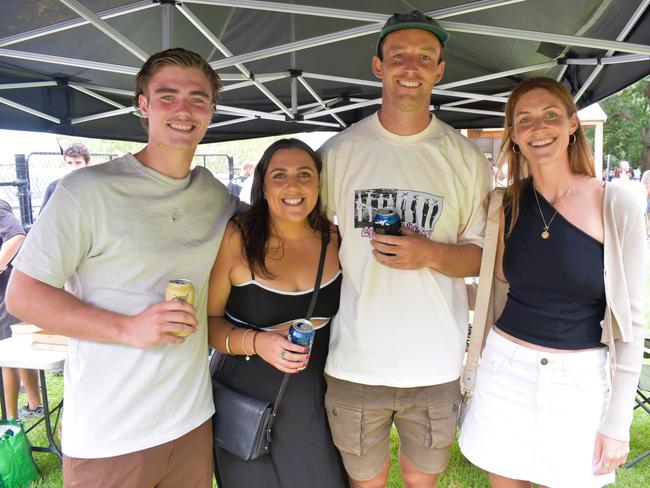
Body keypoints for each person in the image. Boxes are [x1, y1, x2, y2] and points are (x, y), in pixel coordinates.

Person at [6, 48, 239, 487]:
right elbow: (23, 296)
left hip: (191, 420)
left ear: (211, 110)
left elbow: (272, 237)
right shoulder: (86, 191)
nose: (183, 110)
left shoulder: (215, 195)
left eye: (197, 98)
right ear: (143, 104)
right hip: (111, 433)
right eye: (167, 96)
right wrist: (128, 328)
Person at [319, 11, 491, 488]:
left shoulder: (465, 159)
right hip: (356, 360)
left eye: (424, 57)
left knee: (422, 482)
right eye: (398, 56)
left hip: (435, 362)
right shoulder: (339, 153)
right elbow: (312, 240)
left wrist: (429, 254)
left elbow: (483, 254)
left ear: (439, 71)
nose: (410, 67)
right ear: (378, 66)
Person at [459, 77, 646, 488]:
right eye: (523, 119)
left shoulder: (616, 203)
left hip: (578, 382)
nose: (537, 128)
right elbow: (495, 289)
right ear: (513, 133)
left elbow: (631, 323)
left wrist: (617, 422)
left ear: (572, 123)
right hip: (505, 371)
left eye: (550, 116)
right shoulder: (503, 204)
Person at [208, 138, 347, 487]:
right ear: (264, 185)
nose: (293, 186)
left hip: (315, 400)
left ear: (318, 184)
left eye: (304, 174)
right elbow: (207, 325)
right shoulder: (237, 238)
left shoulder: (336, 239)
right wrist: (258, 343)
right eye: (279, 175)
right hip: (246, 398)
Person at [0, 198, 42, 420]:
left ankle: (10, 419)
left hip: (6, 293)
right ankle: (34, 405)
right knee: (17, 352)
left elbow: (16, 236)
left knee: (8, 354)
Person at [40, 142, 91, 212]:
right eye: (69, 163)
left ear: (87, 164)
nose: (73, 167)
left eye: (78, 163)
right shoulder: (54, 188)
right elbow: (44, 219)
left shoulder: (94, 187)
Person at [641, 169, 650, 236]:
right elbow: (643, 185)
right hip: (647, 197)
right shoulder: (647, 173)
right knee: (646, 216)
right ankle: (646, 233)